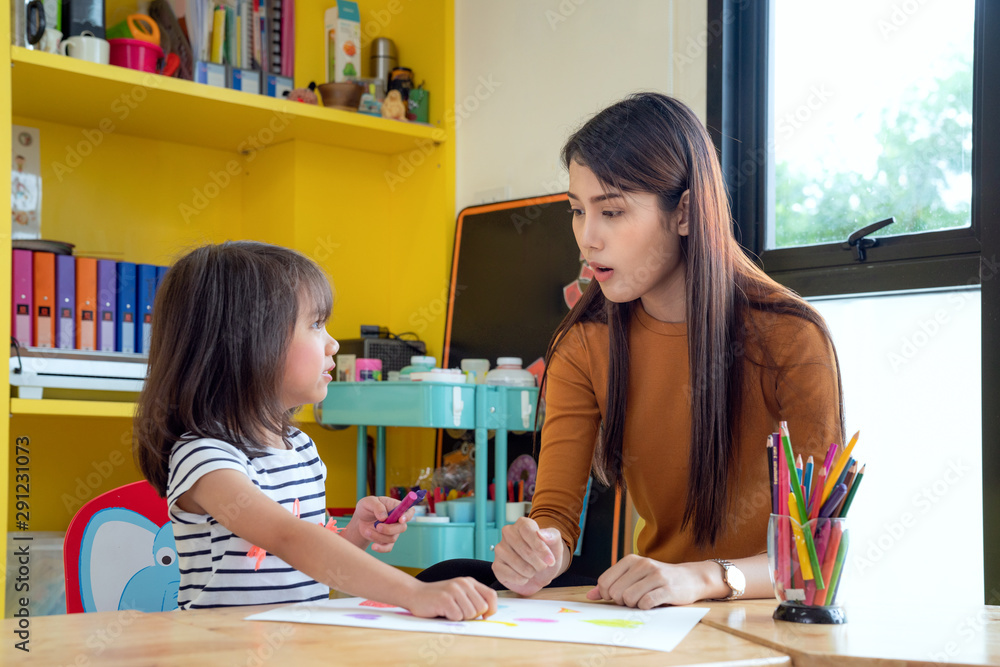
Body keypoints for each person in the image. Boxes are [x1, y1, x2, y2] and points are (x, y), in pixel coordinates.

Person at [489, 92, 844, 608]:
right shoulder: (584, 343)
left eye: (611, 211)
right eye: (576, 211)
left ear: (684, 213)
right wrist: (538, 550)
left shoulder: (791, 337)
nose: (587, 237)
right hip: (653, 621)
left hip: (769, 619)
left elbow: (817, 553)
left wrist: (704, 578)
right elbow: (556, 518)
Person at [134, 241, 496, 619]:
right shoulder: (206, 459)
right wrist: (413, 592)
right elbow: (287, 538)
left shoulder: (300, 448)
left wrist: (356, 533)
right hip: (219, 651)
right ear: (247, 342)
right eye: (316, 324)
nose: (333, 343)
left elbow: (312, 562)